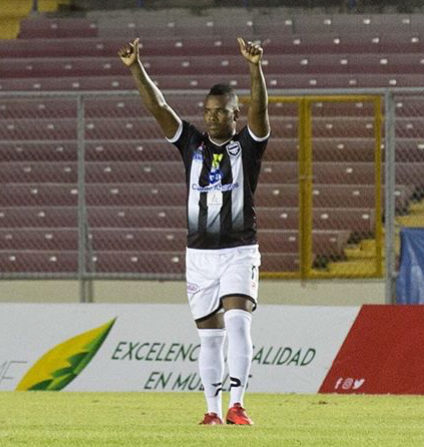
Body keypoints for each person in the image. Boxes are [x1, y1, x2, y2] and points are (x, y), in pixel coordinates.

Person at [118, 37, 270, 425]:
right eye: (208, 112)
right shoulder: (191, 143)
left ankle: (237, 404)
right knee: (209, 338)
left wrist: (254, 68)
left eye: (221, 112)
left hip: (238, 251)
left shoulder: (247, 147)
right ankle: (212, 411)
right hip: (199, 256)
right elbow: (159, 107)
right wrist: (136, 67)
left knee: (237, 321)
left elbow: (261, 111)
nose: (213, 118)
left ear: (235, 114)